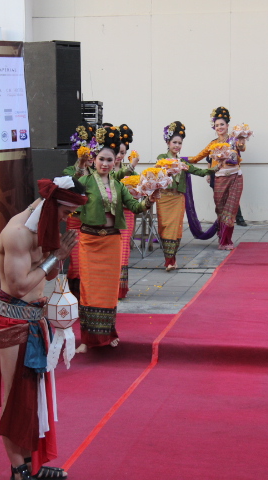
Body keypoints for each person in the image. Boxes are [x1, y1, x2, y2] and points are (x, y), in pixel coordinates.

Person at [0, 176, 87, 480]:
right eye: (65, 212)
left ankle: (31, 464)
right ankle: (19, 471)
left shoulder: (43, 223)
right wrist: (56, 256)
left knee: (32, 399)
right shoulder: (18, 233)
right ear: (53, 205)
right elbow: (18, 286)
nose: (66, 219)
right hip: (13, 323)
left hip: (34, 320)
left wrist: (56, 256)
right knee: (16, 399)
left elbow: (47, 273)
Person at [72, 126, 157, 352]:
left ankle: (108, 334)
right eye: (101, 159)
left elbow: (135, 207)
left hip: (111, 242)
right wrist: (80, 165)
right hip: (90, 241)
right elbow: (73, 191)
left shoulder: (119, 185)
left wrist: (151, 199)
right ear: (94, 160)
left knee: (109, 292)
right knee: (88, 290)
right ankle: (86, 340)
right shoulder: (85, 181)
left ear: (114, 161)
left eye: (109, 160)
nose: (105, 163)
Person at [188, 107, 247, 250]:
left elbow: (242, 148)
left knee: (230, 210)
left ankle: (227, 240)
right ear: (214, 128)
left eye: (222, 124)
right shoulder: (213, 144)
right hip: (219, 180)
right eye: (217, 125)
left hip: (235, 178)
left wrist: (241, 139)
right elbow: (196, 158)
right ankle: (222, 237)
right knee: (220, 210)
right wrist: (180, 159)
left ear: (227, 125)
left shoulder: (234, 140)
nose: (219, 127)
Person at [157, 121, 211, 270]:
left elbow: (198, 171)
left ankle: (170, 261)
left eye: (179, 143)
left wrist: (214, 169)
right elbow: (159, 170)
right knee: (164, 227)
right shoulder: (161, 158)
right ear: (168, 142)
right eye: (174, 142)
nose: (177, 145)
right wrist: (169, 168)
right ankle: (169, 259)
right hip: (164, 198)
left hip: (177, 198)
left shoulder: (182, 162)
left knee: (175, 229)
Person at [64, 122, 97, 301]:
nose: (90, 156)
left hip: (93, 223)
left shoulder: (97, 172)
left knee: (91, 263)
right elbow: (74, 180)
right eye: (86, 152)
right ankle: (75, 299)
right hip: (76, 222)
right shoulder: (69, 170)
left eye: (93, 152)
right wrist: (82, 164)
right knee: (76, 264)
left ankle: (89, 299)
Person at [112, 124, 140, 296]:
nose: (119, 156)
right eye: (117, 152)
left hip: (126, 214)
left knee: (123, 250)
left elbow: (139, 191)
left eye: (122, 153)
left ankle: (120, 288)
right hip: (109, 214)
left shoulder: (132, 174)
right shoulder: (104, 170)